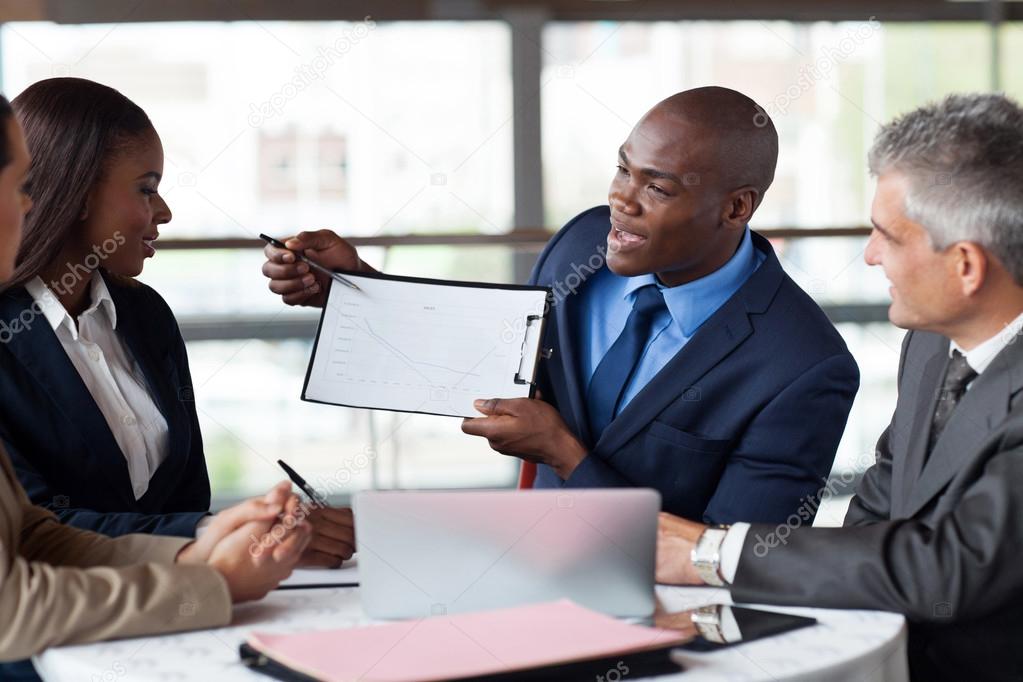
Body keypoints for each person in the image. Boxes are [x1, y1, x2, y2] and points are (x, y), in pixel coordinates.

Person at [261, 86, 859, 524]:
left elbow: (734, 561)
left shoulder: (803, 365)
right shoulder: (583, 243)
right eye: (623, 169)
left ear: (736, 209)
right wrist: (359, 289)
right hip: (525, 561)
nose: (621, 200)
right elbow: (495, 355)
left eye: (656, 187)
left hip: (666, 625)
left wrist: (567, 456)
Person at [655, 93, 1023, 681]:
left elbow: (952, 566)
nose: (870, 255)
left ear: (966, 267)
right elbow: (879, 509)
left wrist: (711, 553)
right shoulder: (931, 343)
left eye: (888, 237)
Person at [0, 91, 311, 673]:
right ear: (75, 190)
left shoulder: (146, 315)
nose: (163, 212)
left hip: (163, 637)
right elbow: (23, 572)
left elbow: (39, 534)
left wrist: (226, 535)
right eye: (145, 188)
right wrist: (211, 562)